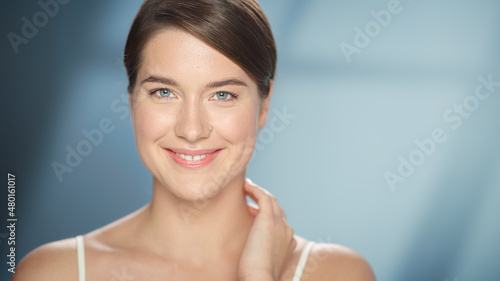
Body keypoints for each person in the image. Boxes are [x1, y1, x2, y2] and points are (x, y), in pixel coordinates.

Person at [12, 0, 375, 280]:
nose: (191, 129)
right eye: (164, 92)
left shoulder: (336, 273)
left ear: (264, 105)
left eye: (222, 96)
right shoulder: (54, 272)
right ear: (131, 101)